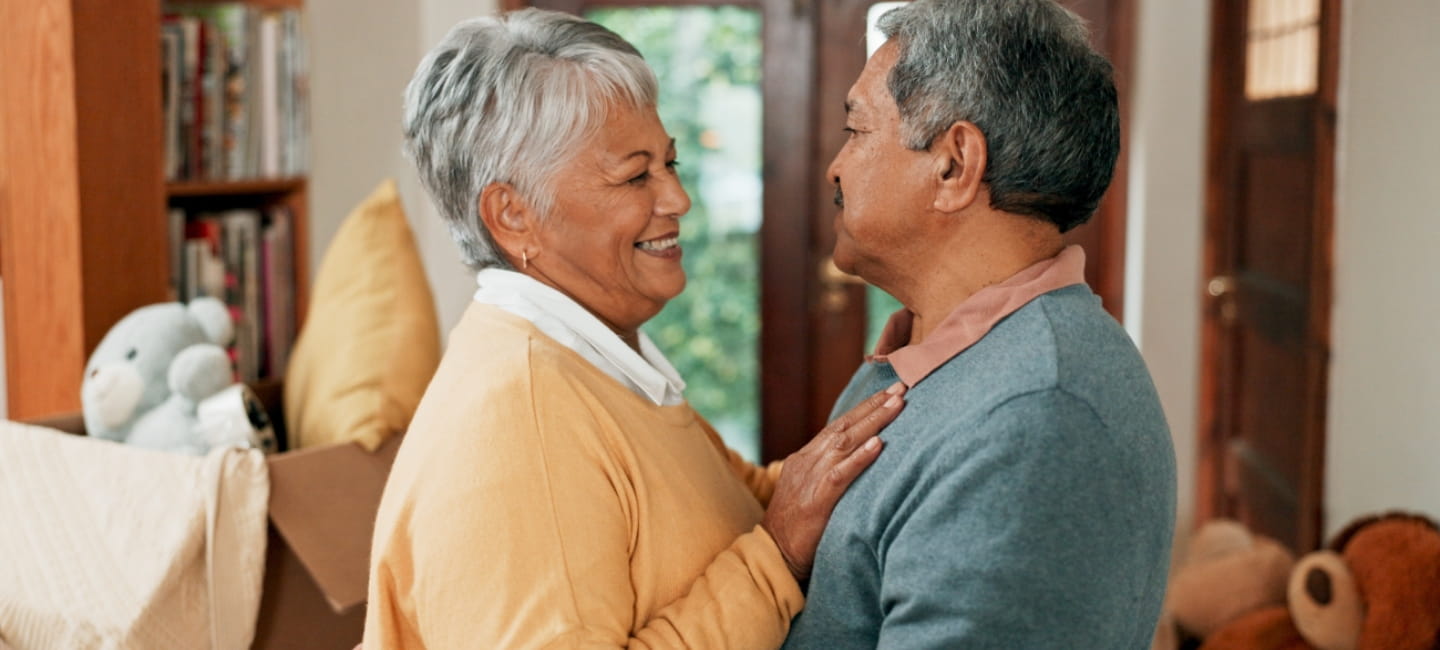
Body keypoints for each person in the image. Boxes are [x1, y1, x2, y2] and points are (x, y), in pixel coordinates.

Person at [364, 9, 904, 649]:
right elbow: (770, 533)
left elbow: (732, 502)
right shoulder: (521, 420)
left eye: (669, 163)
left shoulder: (599, 357)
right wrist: (777, 555)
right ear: (512, 216)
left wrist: (902, 386)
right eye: (635, 175)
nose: (677, 199)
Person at [781, 1, 1176, 648]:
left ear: (954, 165)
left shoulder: (1038, 419)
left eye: (857, 131)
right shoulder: (943, 352)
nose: (835, 166)